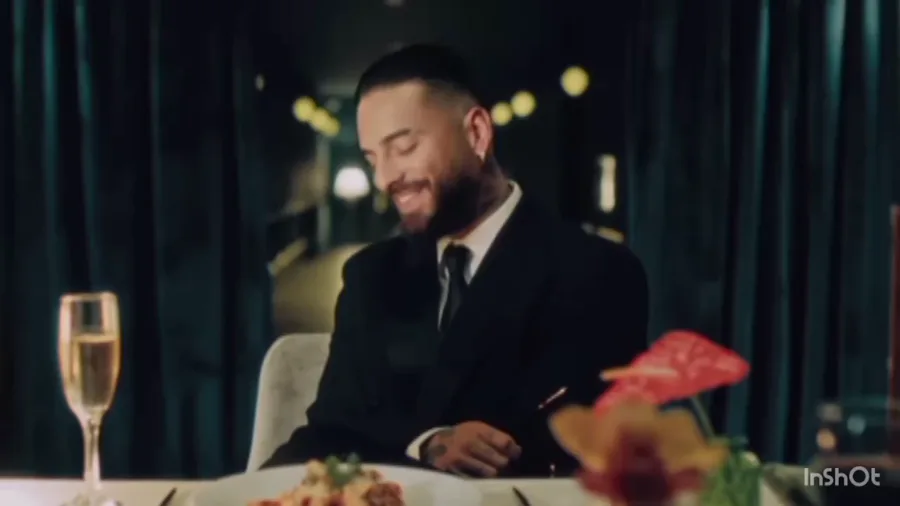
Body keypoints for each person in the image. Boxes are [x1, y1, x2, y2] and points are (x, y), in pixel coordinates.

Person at [264, 44, 649, 477]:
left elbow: (586, 453)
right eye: (373, 159)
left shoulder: (598, 273)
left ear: (478, 133)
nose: (385, 179)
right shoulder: (369, 274)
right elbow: (334, 428)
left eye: (404, 147)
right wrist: (427, 443)